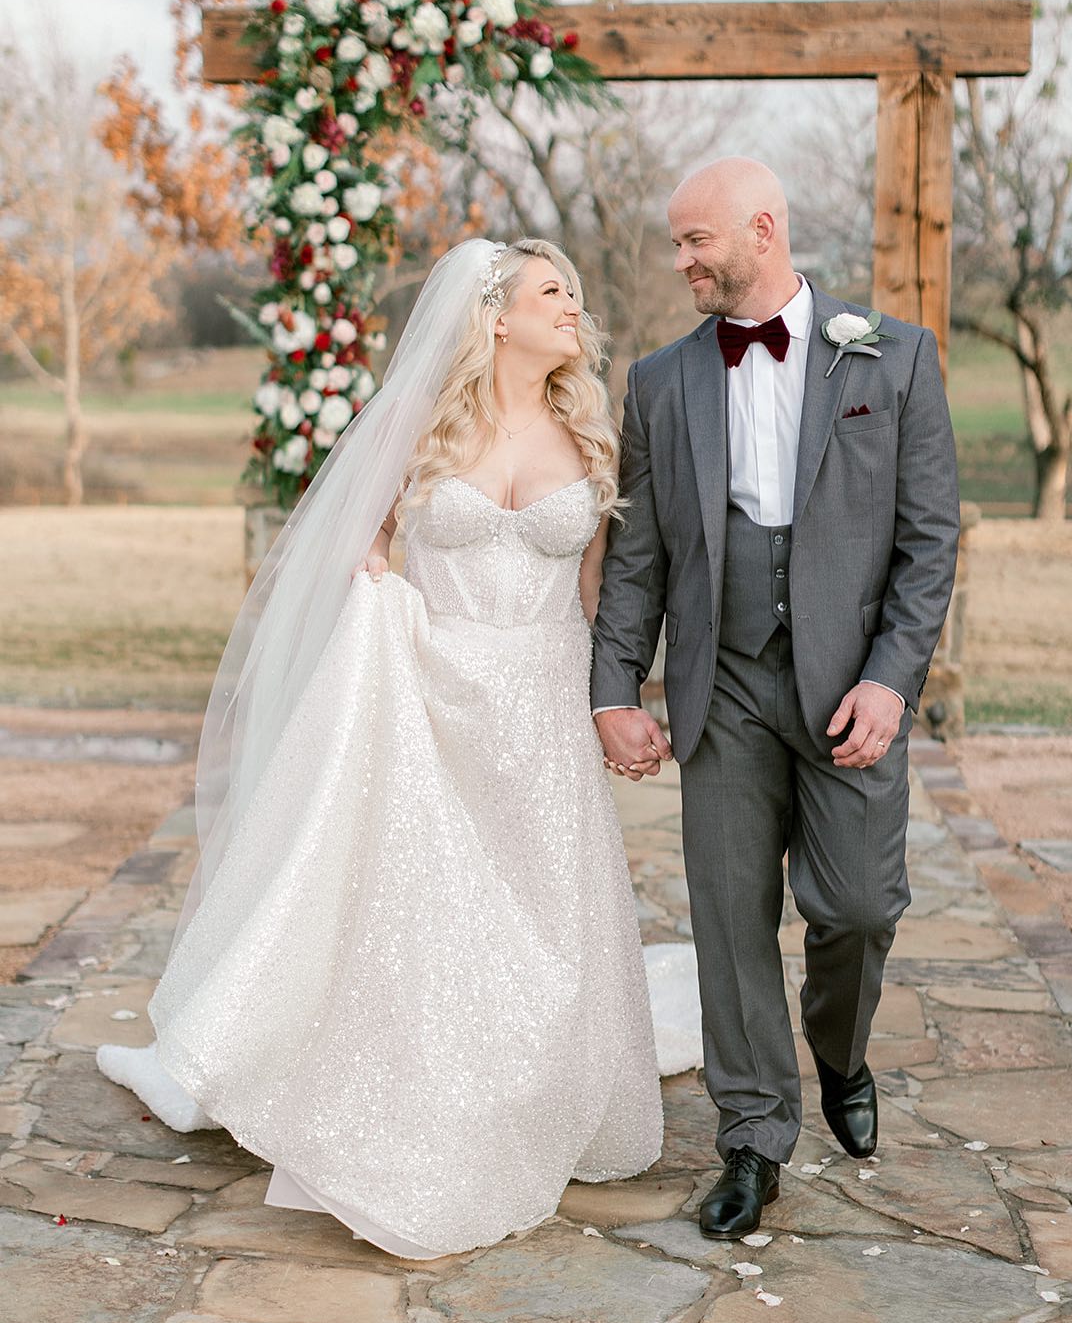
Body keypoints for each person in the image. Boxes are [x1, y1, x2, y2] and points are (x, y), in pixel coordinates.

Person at [99, 238, 665, 1259]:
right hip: (430, 687)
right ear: (495, 317)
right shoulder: (424, 425)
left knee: (543, 906)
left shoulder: (590, 434)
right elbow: (350, 543)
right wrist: (370, 571)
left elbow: (597, 591)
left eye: (575, 295)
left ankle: (534, 1088)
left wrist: (612, 702)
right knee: (432, 906)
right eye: (553, 293)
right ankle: (384, 1087)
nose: (573, 309)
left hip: (538, 698)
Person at [591, 157, 961, 1239]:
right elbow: (638, 558)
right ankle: (752, 1137)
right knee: (728, 917)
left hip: (852, 682)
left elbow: (930, 542)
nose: (682, 263)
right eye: (675, 243)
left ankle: (839, 1045)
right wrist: (614, 684)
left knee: (856, 908)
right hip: (725, 680)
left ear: (762, 229)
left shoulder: (892, 359)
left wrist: (893, 680)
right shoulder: (662, 381)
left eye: (696, 241)